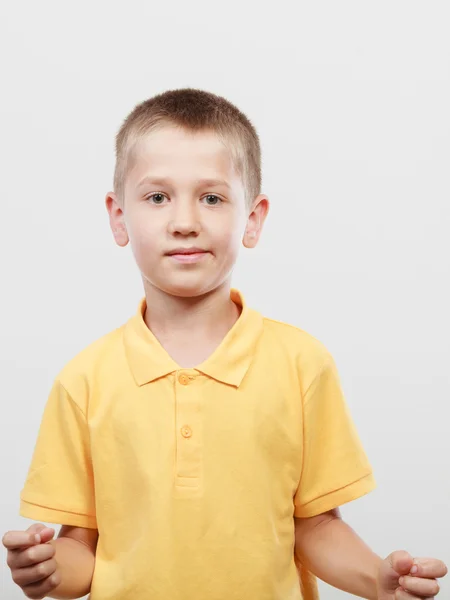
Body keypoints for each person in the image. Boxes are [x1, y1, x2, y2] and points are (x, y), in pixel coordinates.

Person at [2, 88, 447, 600]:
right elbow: (82, 548)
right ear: (118, 217)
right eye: (157, 197)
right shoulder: (84, 380)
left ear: (252, 219)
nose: (185, 221)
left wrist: (377, 579)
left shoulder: (301, 364)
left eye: (211, 198)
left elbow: (317, 527)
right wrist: (48, 569)